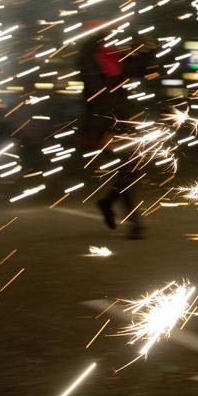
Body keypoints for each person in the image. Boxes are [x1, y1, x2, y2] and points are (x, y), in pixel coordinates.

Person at [77, 27, 144, 238]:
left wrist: (145, 51)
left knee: (131, 169)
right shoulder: (91, 59)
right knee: (127, 168)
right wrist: (105, 130)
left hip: (122, 118)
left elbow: (133, 72)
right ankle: (135, 223)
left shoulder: (112, 54)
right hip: (104, 122)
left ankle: (108, 203)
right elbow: (97, 97)